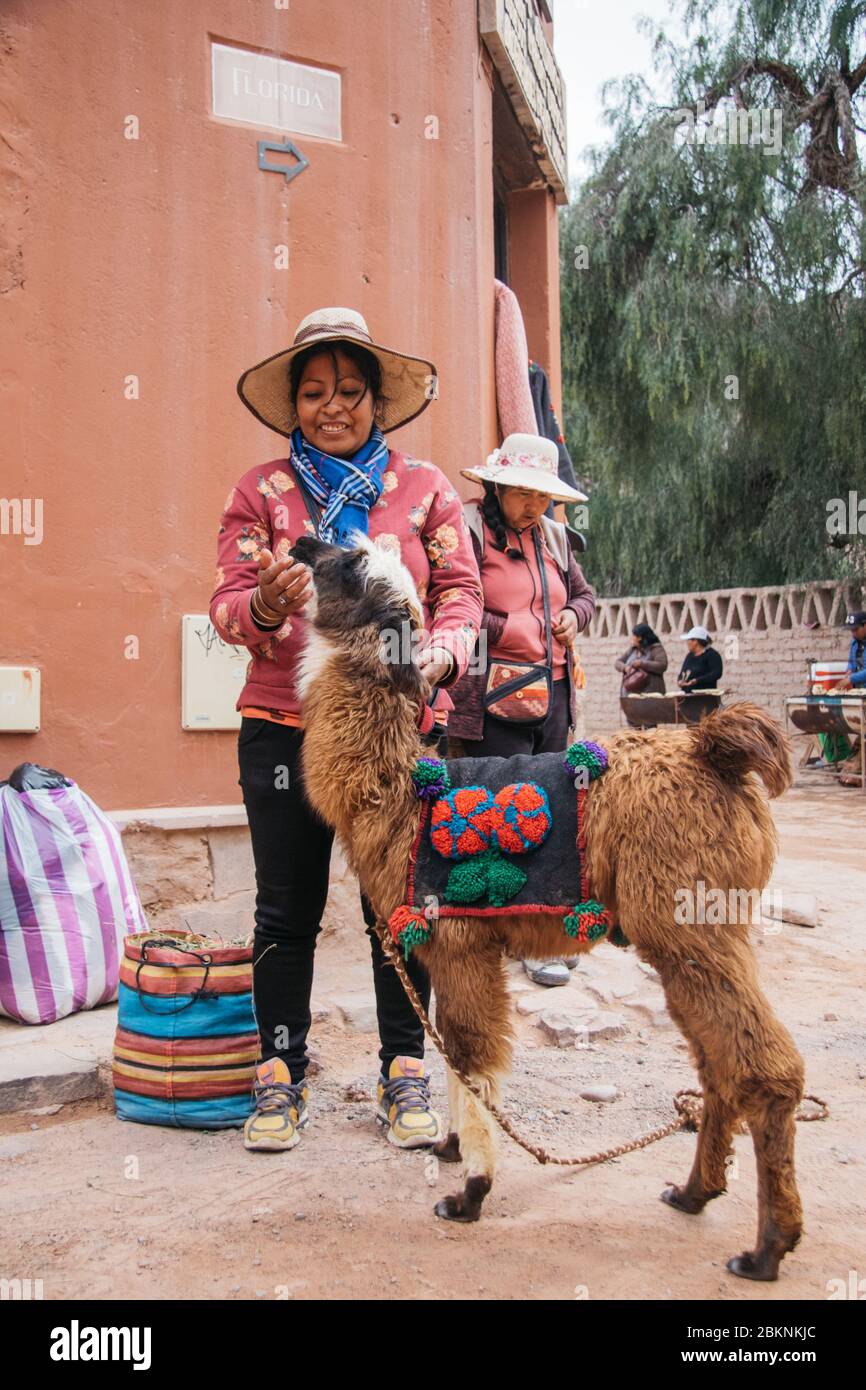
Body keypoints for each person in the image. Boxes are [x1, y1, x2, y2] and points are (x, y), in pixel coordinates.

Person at [211, 307, 483, 1153]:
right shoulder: (261, 494)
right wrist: (264, 604)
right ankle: (280, 1074)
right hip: (285, 731)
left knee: (397, 906)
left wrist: (438, 655)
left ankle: (404, 1071)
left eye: (351, 392)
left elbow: (461, 592)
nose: (334, 407)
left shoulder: (427, 489)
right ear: (294, 401)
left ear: (376, 399)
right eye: (317, 392)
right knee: (285, 911)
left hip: (395, 733)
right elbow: (225, 607)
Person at [447, 433, 596, 987]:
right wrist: (510, 627)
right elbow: (451, 605)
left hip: (552, 689)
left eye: (543, 496)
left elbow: (585, 596)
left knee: (552, 802)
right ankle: (509, 932)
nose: (534, 506)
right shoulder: (466, 531)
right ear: (497, 486)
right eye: (524, 494)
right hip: (490, 692)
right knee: (504, 806)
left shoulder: (554, 538)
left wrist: (574, 619)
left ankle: (544, 929)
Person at [831, 610, 866, 786]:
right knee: (862, 732)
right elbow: (852, 662)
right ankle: (851, 771)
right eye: (851, 630)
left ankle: (854, 772)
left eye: (856, 629)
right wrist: (849, 670)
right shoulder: (856, 642)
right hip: (861, 693)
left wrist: (850, 679)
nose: (853, 633)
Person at [614, 623, 668, 726]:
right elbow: (618, 662)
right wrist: (625, 668)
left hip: (649, 695)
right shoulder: (633, 650)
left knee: (649, 725)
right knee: (633, 725)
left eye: (634, 635)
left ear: (640, 637)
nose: (632, 638)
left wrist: (642, 664)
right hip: (631, 695)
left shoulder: (656, 649)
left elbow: (662, 665)